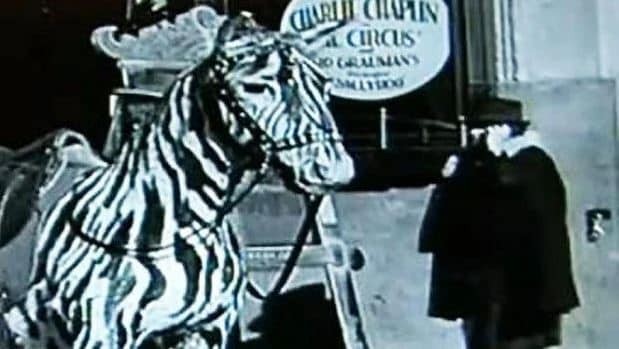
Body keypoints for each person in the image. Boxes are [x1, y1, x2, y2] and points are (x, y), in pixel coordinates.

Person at [418, 97, 580, 349]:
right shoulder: (475, 164)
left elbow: (516, 200)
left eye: (487, 128)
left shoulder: (532, 162)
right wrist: (448, 180)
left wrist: (494, 157)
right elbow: (446, 225)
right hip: (483, 288)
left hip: (522, 287)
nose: (478, 135)